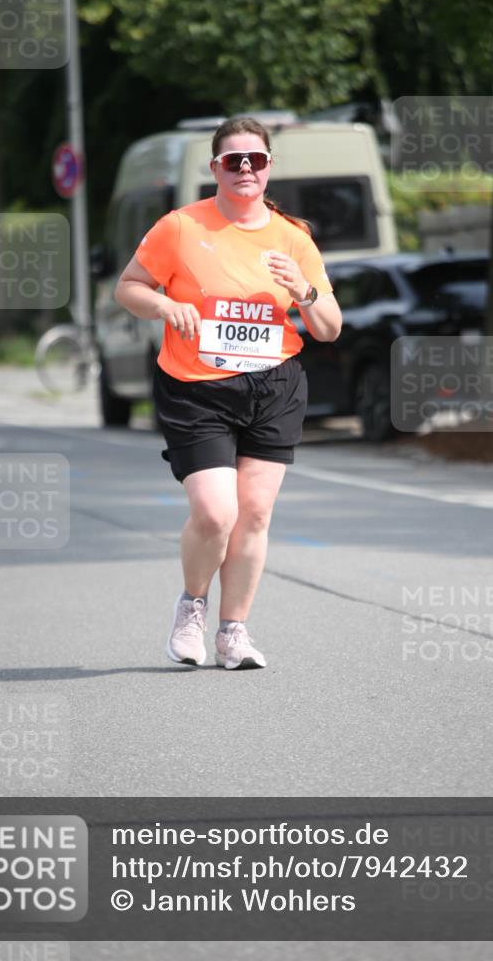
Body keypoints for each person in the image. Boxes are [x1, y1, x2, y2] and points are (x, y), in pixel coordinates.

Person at [115, 116, 342, 670]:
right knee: (218, 514)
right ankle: (192, 605)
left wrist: (305, 290)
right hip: (198, 387)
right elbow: (129, 287)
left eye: (256, 160)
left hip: (274, 385)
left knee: (255, 513)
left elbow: (330, 327)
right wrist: (166, 305)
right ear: (214, 167)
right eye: (233, 160)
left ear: (269, 168)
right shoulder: (179, 227)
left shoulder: (293, 238)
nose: (245, 169)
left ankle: (232, 632)